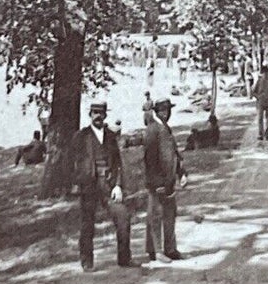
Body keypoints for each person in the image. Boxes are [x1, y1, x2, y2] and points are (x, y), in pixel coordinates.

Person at [72, 100, 134, 271]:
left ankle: (124, 258)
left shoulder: (111, 136)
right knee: (87, 224)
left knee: (123, 217)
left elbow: (118, 163)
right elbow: (72, 163)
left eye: (101, 113)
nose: (98, 116)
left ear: (105, 115)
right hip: (89, 186)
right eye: (95, 113)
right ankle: (87, 261)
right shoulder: (81, 137)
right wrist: (78, 182)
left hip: (109, 186)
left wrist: (118, 185)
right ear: (90, 115)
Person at [142, 98, 187, 261]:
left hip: (169, 180)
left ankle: (170, 248)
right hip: (158, 181)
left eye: (167, 110)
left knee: (170, 214)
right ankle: (156, 251)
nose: (165, 114)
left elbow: (175, 154)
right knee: (156, 214)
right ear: (156, 112)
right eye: (162, 111)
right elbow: (150, 159)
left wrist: (181, 173)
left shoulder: (166, 128)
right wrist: (156, 182)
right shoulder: (152, 129)